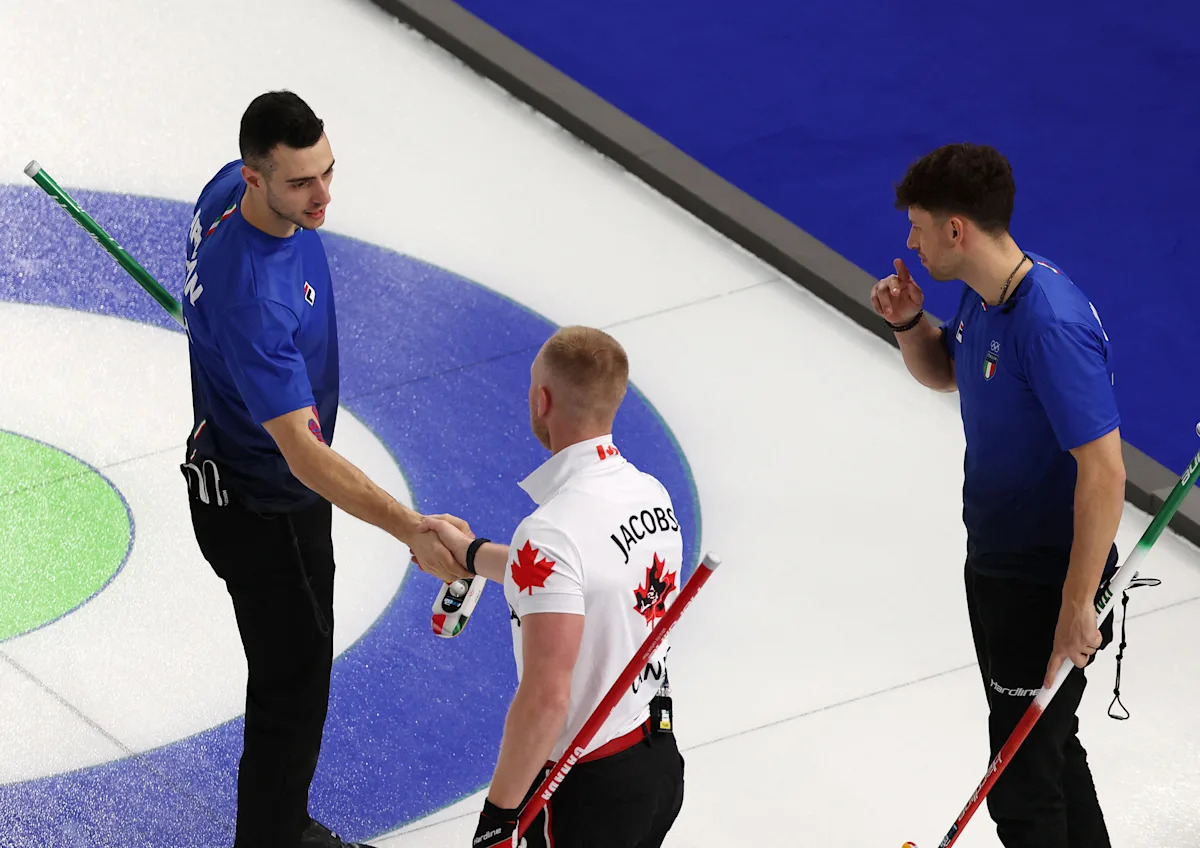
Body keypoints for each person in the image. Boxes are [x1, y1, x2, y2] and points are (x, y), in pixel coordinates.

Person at [179, 90, 465, 848]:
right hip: (264, 507)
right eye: (302, 183)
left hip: (249, 477)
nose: (323, 196)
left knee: (296, 670)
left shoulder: (222, 197)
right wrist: (411, 526)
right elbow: (305, 456)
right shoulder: (257, 301)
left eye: (328, 173)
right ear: (255, 177)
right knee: (294, 685)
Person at [870, 142, 1126, 848]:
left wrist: (1076, 604)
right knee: (1046, 749)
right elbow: (951, 373)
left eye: (919, 226)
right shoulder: (987, 298)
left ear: (957, 230)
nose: (911, 242)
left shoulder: (1051, 325)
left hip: (1044, 580)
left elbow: (1105, 471)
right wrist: (908, 323)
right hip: (999, 563)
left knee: (1018, 779)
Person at [416, 325, 687, 848]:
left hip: (584, 794)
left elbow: (545, 699)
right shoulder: (648, 492)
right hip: (657, 760)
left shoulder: (552, 530)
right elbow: (576, 575)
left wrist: (496, 818)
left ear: (542, 400)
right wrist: (471, 555)